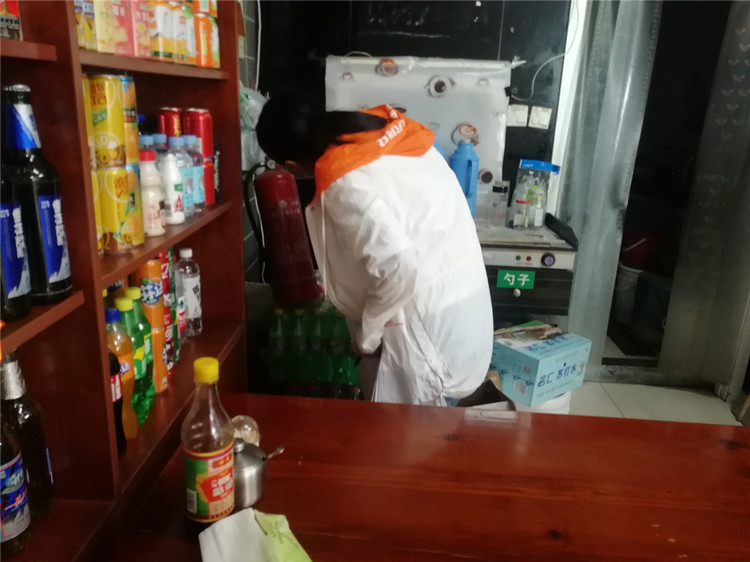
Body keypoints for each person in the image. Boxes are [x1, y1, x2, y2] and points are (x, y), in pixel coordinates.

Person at [256, 91, 493, 406]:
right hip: (463, 315)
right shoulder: (388, 137)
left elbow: (399, 268)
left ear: (289, 165)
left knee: (413, 436)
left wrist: (367, 338)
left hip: (431, 344)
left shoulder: (347, 180)